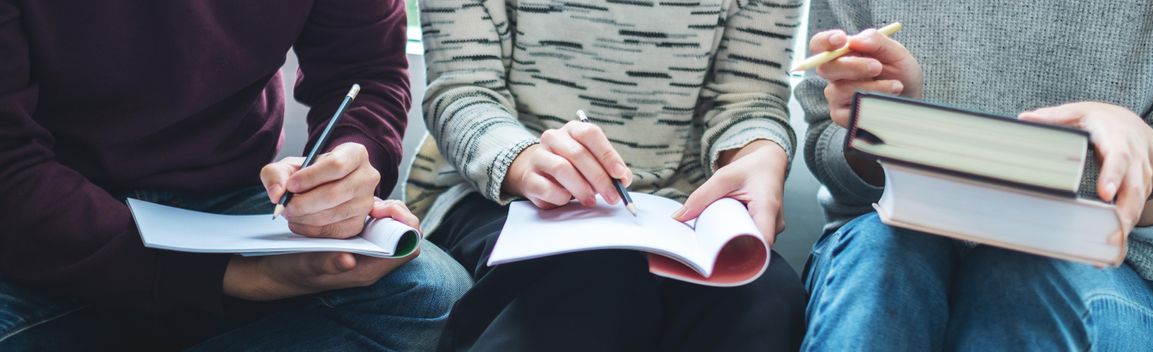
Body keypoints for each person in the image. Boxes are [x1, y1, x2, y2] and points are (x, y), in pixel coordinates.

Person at [0, 1, 471, 350]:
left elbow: (366, 71)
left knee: (432, 293)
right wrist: (232, 277)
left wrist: (347, 167)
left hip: (229, 206)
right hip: (43, 229)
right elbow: (11, 171)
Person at [406, 0, 808, 350]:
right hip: (497, 193)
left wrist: (761, 155)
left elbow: (748, 98)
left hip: (684, 209)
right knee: (594, 276)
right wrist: (524, 160)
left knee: (765, 294)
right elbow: (460, 90)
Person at [796, 1, 1153, 350]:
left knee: (1021, 281)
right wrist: (888, 128)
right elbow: (827, 144)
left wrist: (1151, 157)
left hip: (1111, 270)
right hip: (886, 236)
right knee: (882, 260)